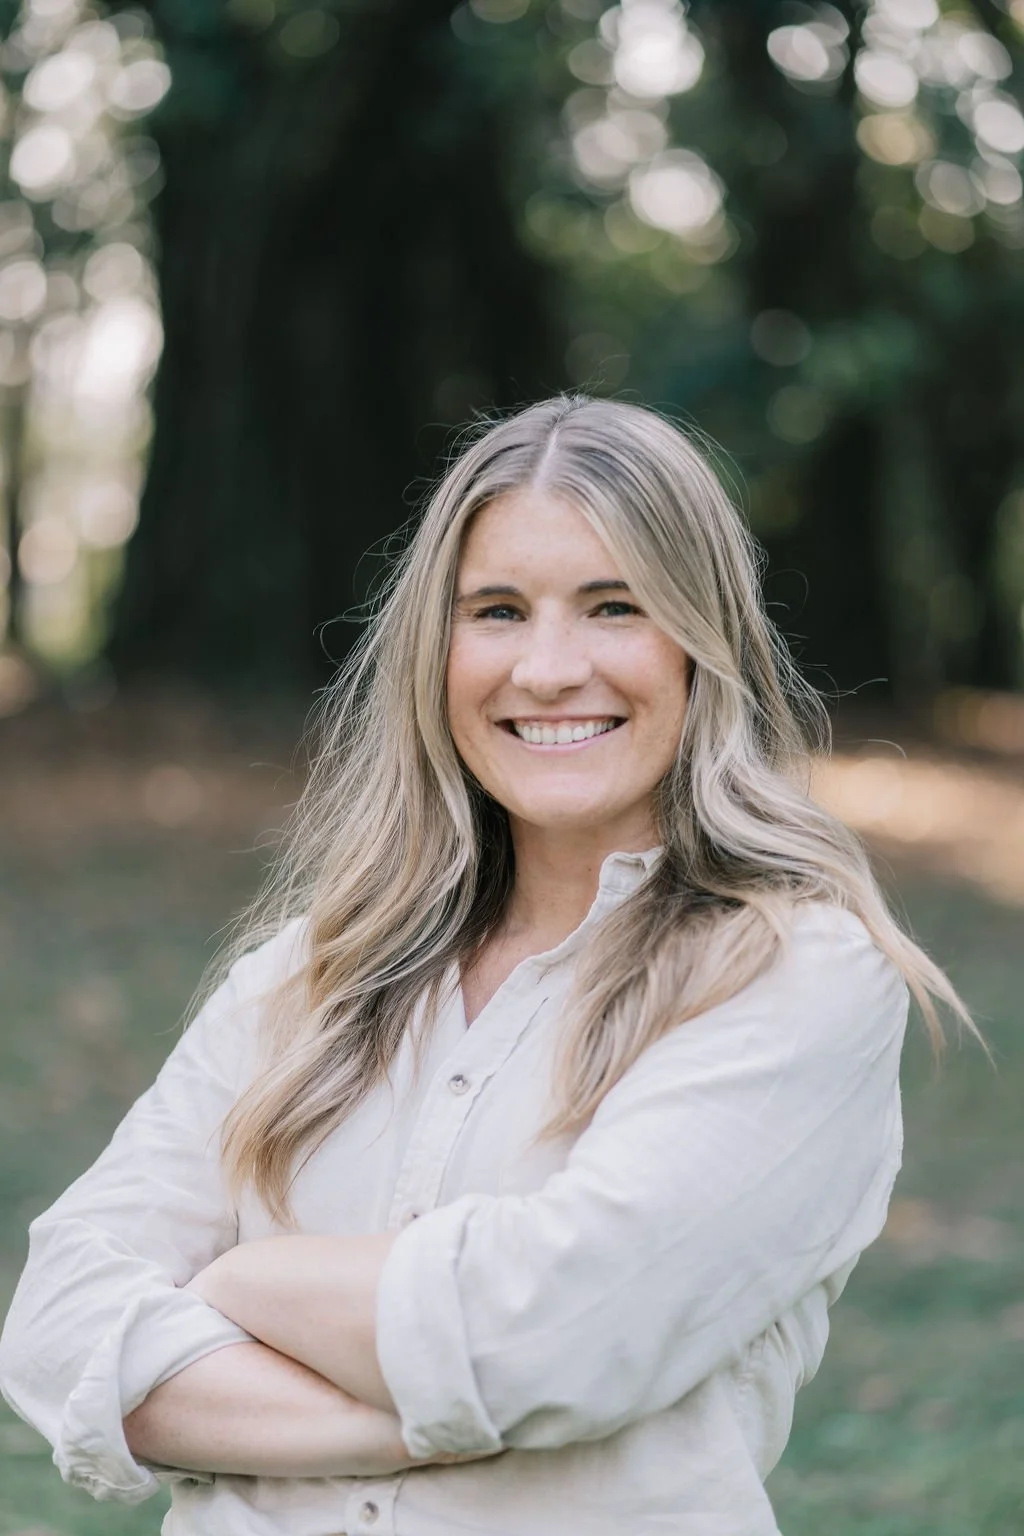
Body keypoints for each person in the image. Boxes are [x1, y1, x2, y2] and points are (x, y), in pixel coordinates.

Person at [0, 396, 974, 1536]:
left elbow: (546, 1336)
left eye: (614, 606)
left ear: (702, 642)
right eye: (498, 611)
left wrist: (234, 1291)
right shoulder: (311, 971)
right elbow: (59, 1315)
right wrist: (434, 1413)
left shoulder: (795, 975)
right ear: (437, 648)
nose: (548, 668)